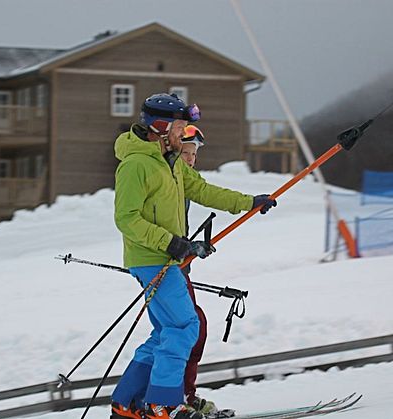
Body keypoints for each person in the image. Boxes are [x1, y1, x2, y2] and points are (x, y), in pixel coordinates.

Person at [110, 93, 277, 419]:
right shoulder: (136, 165)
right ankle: (163, 404)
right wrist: (172, 243)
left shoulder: (171, 162)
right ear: (161, 127)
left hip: (165, 258)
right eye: (180, 127)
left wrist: (249, 202)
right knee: (185, 326)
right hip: (151, 258)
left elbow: (203, 190)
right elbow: (126, 219)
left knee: (165, 332)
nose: (183, 134)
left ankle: (127, 402)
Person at [177, 125, 216, 416]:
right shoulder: (168, 178)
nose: (191, 160)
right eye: (186, 153)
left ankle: (185, 394)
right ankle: (169, 398)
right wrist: (184, 248)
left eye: (194, 155)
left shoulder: (186, 180)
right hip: (163, 264)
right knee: (186, 329)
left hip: (179, 265)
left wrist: (191, 247)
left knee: (195, 327)